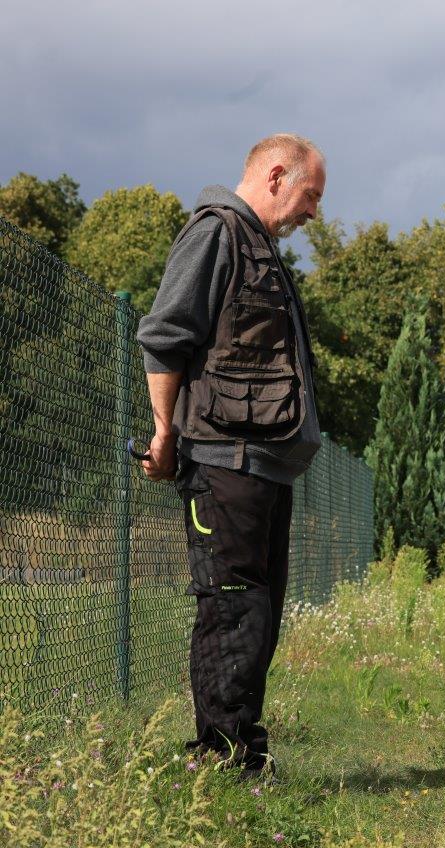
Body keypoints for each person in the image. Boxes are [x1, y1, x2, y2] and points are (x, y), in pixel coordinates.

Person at [135, 133, 326, 778]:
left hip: (264, 465)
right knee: (233, 607)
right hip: (224, 462)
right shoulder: (216, 233)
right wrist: (163, 432)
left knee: (259, 613)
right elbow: (165, 336)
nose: (314, 212)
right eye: (310, 195)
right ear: (276, 176)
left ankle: (244, 749)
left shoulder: (259, 247)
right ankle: (219, 758)